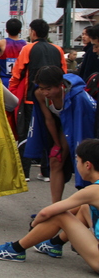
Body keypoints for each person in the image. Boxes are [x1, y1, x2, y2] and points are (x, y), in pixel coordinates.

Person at [0, 138, 99, 273]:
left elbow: (47, 212)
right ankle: (55, 243)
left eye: (77, 161)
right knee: (85, 206)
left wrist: (34, 225)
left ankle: (16, 249)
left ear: (87, 165)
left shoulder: (92, 191)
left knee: (61, 215)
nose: (77, 165)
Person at [27, 65, 96, 202]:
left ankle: (87, 203)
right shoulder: (39, 94)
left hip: (80, 124)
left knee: (83, 163)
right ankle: (55, 205)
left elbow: (83, 124)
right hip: (61, 125)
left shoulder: (77, 97)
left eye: (49, 89)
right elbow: (48, 119)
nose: (45, 92)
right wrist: (57, 145)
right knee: (55, 160)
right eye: (42, 88)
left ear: (60, 85)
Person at [9, 19, 66, 181]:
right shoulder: (58, 49)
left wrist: (13, 92)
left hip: (31, 98)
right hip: (53, 100)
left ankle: (24, 172)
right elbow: (64, 73)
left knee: (27, 133)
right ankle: (46, 171)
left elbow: (17, 73)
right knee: (49, 132)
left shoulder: (28, 48)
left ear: (33, 32)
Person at [0, 18, 27, 87]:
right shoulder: (27, 45)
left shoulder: (0, 43)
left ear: (6, 30)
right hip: (21, 81)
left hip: (4, 80)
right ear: (20, 31)